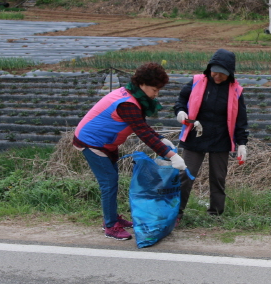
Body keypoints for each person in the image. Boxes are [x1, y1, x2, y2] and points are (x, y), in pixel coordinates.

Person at [74, 62, 187, 241]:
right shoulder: (127, 103)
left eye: (158, 90)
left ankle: (112, 217)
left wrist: (159, 138)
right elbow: (142, 133)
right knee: (109, 183)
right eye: (154, 89)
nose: (156, 94)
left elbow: (140, 126)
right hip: (92, 142)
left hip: (106, 144)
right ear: (142, 84)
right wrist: (171, 155)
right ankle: (110, 226)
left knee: (112, 181)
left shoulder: (133, 96)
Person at [174, 49, 249, 221]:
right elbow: (181, 102)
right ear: (209, 69)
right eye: (215, 71)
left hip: (220, 138)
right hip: (195, 135)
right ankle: (176, 212)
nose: (217, 76)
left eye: (222, 74)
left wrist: (242, 143)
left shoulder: (236, 90)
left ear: (229, 74)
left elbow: (240, 119)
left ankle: (215, 214)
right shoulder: (196, 82)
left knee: (218, 177)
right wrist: (180, 112)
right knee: (186, 174)